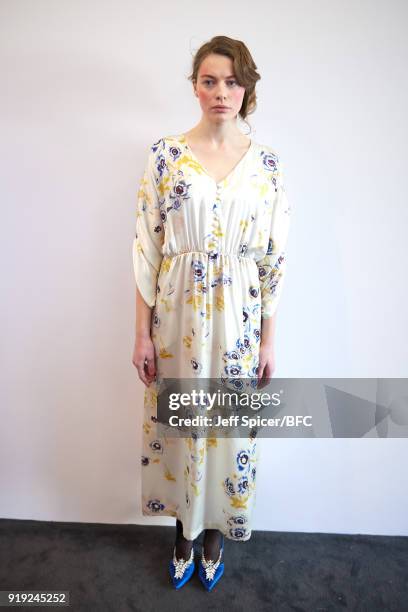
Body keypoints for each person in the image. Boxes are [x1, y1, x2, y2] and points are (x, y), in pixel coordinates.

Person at [132, 35, 291, 591]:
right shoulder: (166, 156)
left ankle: (216, 535)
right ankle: (182, 534)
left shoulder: (267, 165)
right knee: (181, 425)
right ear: (195, 86)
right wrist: (141, 336)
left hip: (240, 321)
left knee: (227, 427)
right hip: (178, 317)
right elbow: (147, 250)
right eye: (208, 80)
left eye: (231, 81)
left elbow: (274, 260)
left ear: (246, 87)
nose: (220, 91)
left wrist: (269, 341)